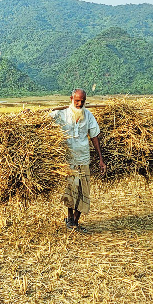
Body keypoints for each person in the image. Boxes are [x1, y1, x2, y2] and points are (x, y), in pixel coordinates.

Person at [50, 89, 106, 232]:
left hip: (83, 158)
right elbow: (43, 120)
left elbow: (94, 137)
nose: (80, 104)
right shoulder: (61, 114)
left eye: (82, 101)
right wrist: (30, 114)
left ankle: (75, 220)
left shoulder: (88, 116)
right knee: (71, 188)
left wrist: (101, 159)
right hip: (69, 159)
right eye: (77, 101)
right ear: (71, 99)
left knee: (83, 189)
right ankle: (69, 219)